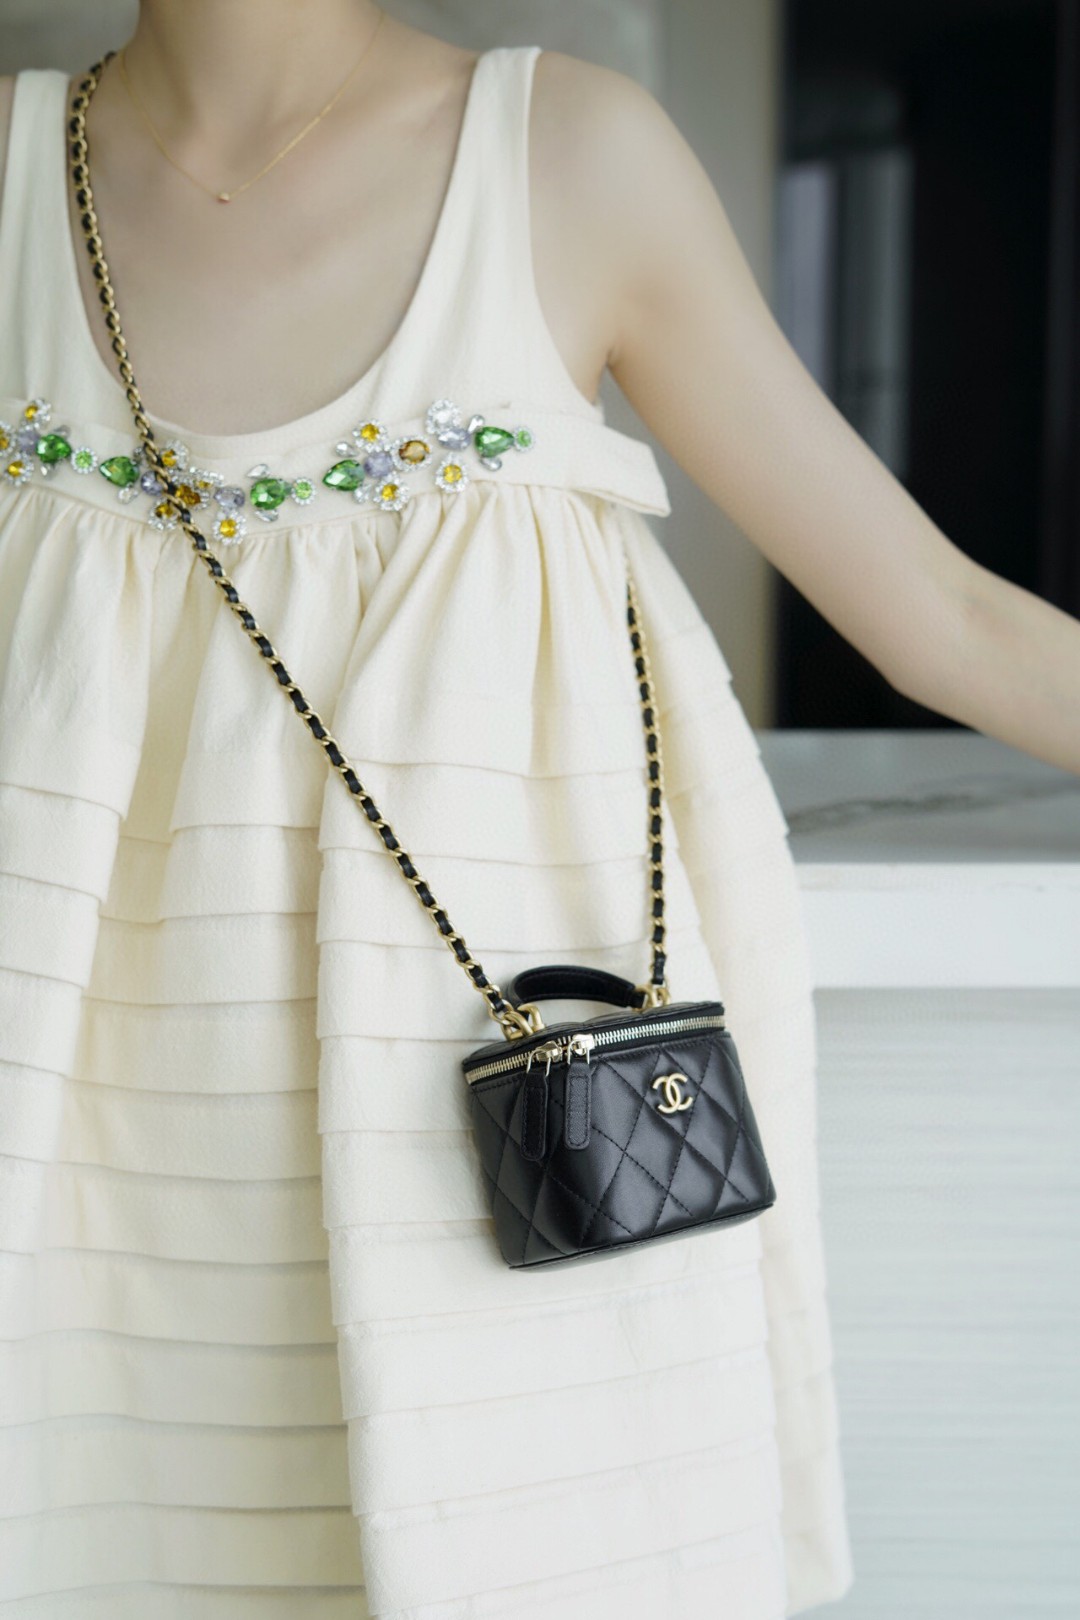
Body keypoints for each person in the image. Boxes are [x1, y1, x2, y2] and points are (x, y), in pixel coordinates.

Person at [0, 2, 1076, 1616]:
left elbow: (947, 618)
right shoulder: (16, 171)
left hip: (517, 1183)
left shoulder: (565, 156)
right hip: (86, 1202)